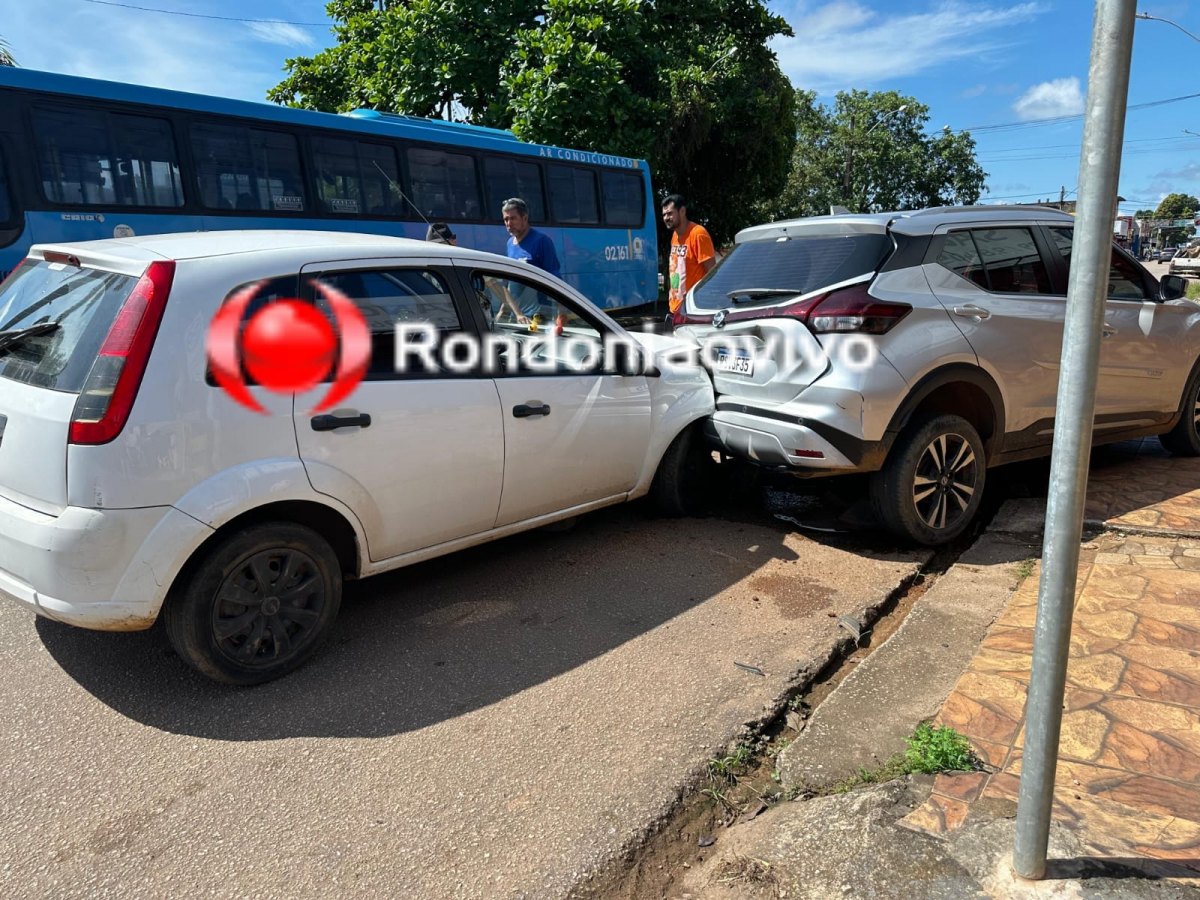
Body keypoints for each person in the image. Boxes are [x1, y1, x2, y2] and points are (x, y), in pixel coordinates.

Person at [502, 197, 561, 324]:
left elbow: (555, 278)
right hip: (518, 318)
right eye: (506, 219)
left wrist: (561, 312)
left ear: (525, 218)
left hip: (539, 316)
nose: (509, 223)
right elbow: (507, 284)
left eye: (513, 218)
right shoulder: (510, 243)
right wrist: (511, 312)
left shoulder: (542, 241)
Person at [661, 194, 716, 326]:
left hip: (693, 310)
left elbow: (712, 273)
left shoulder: (698, 234)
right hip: (675, 308)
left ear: (682, 211)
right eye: (664, 215)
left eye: (670, 213)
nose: (666, 218)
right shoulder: (675, 235)